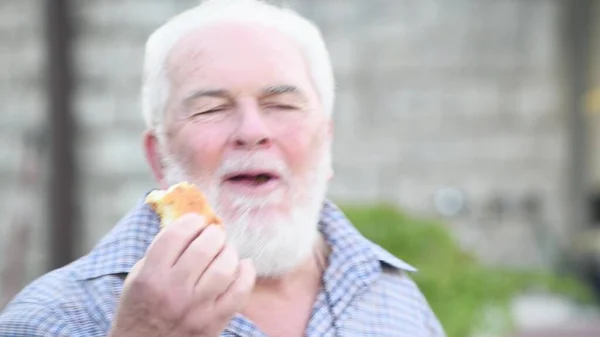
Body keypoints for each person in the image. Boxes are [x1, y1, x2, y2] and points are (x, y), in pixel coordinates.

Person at [0, 0, 446, 336]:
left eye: (282, 104)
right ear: (159, 157)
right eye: (211, 109)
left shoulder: (398, 303)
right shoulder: (50, 318)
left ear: (325, 140)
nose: (252, 131)